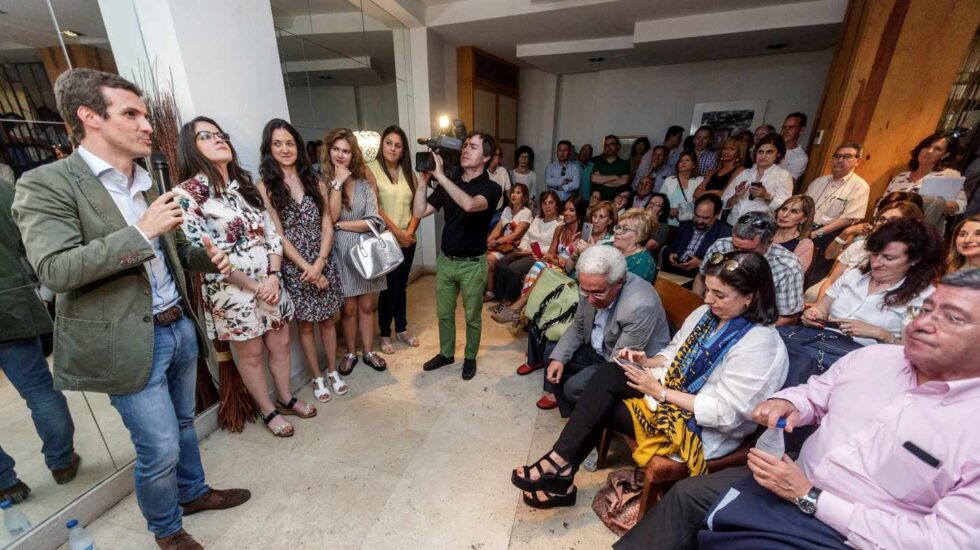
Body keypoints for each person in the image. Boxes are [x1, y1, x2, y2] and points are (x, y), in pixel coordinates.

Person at [12, 69, 247, 549]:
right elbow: (55, 270)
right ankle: (166, 530)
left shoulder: (146, 179)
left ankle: (194, 493)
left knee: (183, 425)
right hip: (126, 341)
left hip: (178, 324)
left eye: (144, 113)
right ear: (89, 117)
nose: (146, 125)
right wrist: (140, 231)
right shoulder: (47, 184)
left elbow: (174, 251)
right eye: (131, 114)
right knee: (157, 446)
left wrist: (208, 257)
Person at [617, 269, 980, 550]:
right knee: (687, 496)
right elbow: (816, 393)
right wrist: (789, 402)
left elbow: (943, 542)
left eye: (952, 318)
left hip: (852, 533)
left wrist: (809, 496)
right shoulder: (872, 360)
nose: (923, 324)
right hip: (788, 480)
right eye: (925, 309)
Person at [512, 251, 787, 508]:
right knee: (609, 375)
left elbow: (726, 414)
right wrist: (646, 361)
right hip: (669, 402)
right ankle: (561, 466)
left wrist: (660, 392)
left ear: (751, 296)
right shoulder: (708, 315)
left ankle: (560, 471)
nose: (708, 300)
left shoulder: (760, 344)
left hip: (700, 430)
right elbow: (672, 353)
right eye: (709, 290)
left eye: (719, 294)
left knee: (598, 402)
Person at [175, 116, 310, 437]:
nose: (219, 140)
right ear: (190, 148)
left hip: (270, 282)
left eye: (221, 134)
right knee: (249, 355)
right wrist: (253, 286)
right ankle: (268, 410)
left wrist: (274, 276)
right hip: (232, 293)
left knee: (280, 343)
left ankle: (286, 395)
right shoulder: (187, 194)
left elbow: (272, 235)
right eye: (206, 136)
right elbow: (200, 253)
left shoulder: (246, 186)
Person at [1, 179, 79, 505]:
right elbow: (29, 240)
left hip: (12, 301)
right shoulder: (4, 190)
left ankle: (5, 482)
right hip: (10, 305)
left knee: (39, 392)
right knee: (38, 390)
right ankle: (61, 461)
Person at [258, 119, 347, 403]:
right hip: (295, 266)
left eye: (290, 143)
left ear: (298, 146)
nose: (285, 149)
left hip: (323, 258)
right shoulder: (266, 187)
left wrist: (320, 262)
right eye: (278, 144)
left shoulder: (315, 180)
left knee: (329, 321)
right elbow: (278, 236)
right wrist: (308, 268)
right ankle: (317, 377)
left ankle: (333, 371)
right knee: (306, 325)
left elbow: (327, 222)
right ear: (269, 149)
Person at [539, 245, 670, 416]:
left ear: (619, 282)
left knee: (574, 388)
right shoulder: (590, 285)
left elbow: (618, 363)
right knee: (553, 354)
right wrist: (558, 359)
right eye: (585, 291)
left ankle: (592, 416)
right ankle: (577, 409)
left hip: (625, 362)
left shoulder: (639, 304)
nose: (590, 300)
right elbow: (578, 325)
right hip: (601, 346)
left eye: (598, 293)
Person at [413, 131, 502, 380]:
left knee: (472, 316)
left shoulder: (492, 188)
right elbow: (419, 211)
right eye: (464, 146)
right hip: (446, 261)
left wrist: (440, 176)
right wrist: (423, 181)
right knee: (444, 314)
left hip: (473, 265)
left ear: (485, 157)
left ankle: (470, 357)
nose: (465, 150)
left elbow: (470, 205)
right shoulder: (449, 184)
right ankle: (446, 353)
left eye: (472, 147)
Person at [801, 218, 941, 346]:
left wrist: (881, 334)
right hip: (818, 343)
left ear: (914, 260)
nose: (876, 263)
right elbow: (821, 309)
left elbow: (914, 352)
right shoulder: (854, 276)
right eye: (874, 254)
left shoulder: (923, 298)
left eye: (889, 258)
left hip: (866, 360)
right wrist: (813, 315)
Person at [323, 128, 388, 373]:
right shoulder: (323, 182)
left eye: (346, 151)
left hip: (366, 252)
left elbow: (374, 220)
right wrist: (338, 183)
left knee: (366, 306)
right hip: (340, 253)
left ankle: (369, 351)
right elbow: (331, 215)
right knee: (348, 308)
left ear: (353, 155)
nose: (340, 155)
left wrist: (341, 226)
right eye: (336, 149)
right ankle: (351, 352)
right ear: (329, 151)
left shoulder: (363, 184)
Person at [365, 125, 422, 356]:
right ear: (382, 145)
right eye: (388, 143)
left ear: (403, 150)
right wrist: (398, 234)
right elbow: (375, 207)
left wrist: (408, 233)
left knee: (402, 286)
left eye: (398, 145)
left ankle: (402, 328)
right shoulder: (371, 169)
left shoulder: (411, 173)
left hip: (409, 239)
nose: (392, 148)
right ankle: (385, 334)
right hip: (386, 240)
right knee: (389, 288)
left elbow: (417, 207)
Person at [695, 212, 804, 326]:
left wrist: (740, 329)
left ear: (769, 243)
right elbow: (702, 277)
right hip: (713, 316)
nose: (738, 254)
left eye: (747, 250)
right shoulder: (721, 246)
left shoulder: (788, 267)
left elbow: (789, 317)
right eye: (735, 246)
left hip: (757, 326)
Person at [814, 201, 924, 303]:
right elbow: (831, 281)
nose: (883, 224)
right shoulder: (859, 246)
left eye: (892, 221)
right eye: (881, 219)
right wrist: (819, 309)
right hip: (834, 302)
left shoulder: (910, 258)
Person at [803, 142, 870, 283]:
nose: (840, 160)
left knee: (811, 278)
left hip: (830, 237)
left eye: (847, 157)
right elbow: (803, 205)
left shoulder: (859, 186)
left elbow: (848, 219)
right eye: (837, 156)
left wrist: (817, 233)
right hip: (805, 230)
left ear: (857, 161)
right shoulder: (819, 181)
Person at [885, 131, 965, 228]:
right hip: (890, 229)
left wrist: (935, 204)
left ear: (945, 155)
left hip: (923, 233)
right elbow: (881, 205)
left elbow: (961, 205)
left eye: (938, 149)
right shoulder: (900, 177)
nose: (929, 151)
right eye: (927, 146)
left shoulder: (949, 175)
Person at [493, 191, 561, 304]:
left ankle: (510, 300)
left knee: (514, 269)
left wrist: (528, 252)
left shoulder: (559, 224)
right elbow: (527, 236)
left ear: (557, 205)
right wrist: (522, 248)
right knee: (501, 263)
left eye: (551, 203)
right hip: (525, 250)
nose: (547, 206)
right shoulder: (538, 219)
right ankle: (501, 297)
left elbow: (551, 248)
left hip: (538, 255)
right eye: (544, 203)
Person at [721, 133, 794, 226]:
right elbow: (724, 200)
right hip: (732, 222)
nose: (763, 156)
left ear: (778, 154)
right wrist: (735, 196)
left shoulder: (784, 175)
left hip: (758, 228)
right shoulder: (745, 173)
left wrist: (766, 196)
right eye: (760, 152)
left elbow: (785, 209)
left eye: (769, 152)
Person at [485, 183, 533, 302]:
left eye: (518, 193)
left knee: (490, 259)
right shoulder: (507, 209)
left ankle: (491, 292)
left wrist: (496, 243)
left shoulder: (526, 212)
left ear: (524, 197)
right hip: (501, 245)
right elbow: (498, 228)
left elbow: (516, 234)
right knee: (481, 254)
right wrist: (489, 241)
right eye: (513, 192)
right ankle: (487, 289)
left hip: (513, 247)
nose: (514, 195)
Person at [662, 194, 729, 278]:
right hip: (672, 272)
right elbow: (670, 248)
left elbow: (722, 266)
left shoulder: (724, 234)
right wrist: (670, 254)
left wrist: (700, 263)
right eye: (697, 216)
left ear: (716, 215)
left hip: (697, 277)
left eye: (705, 218)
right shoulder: (685, 225)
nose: (699, 221)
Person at [614, 208, 659, 283]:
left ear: (641, 235)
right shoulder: (611, 246)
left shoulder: (642, 261)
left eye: (625, 229)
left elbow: (622, 290)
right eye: (618, 227)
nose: (617, 231)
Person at [773, 195, 816, 273]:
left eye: (794, 211)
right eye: (784, 209)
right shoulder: (765, 231)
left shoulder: (804, 244)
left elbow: (793, 275)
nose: (784, 215)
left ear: (803, 219)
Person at [661, 151, 703, 227]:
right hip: (668, 223)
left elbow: (701, 201)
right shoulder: (669, 180)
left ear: (693, 165)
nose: (683, 163)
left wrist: (679, 210)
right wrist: (669, 210)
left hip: (689, 224)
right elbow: (661, 200)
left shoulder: (699, 180)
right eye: (681, 161)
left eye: (687, 160)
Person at [591, 134, 631, 200]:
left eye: (611, 144)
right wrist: (614, 177)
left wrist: (602, 181)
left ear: (618, 146)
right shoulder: (598, 163)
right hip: (598, 200)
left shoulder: (624, 163)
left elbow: (623, 182)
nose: (608, 147)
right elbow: (595, 179)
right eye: (606, 145)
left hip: (616, 202)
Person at [779, 112, 809, 181]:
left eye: (791, 127)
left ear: (801, 130)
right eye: (784, 127)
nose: (786, 131)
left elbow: (786, 183)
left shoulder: (800, 157)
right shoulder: (771, 147)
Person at [487, 143, 511, 212]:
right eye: (491, 153)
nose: (492, 157)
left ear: (500, 159)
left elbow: (508, 192)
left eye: (495, 154)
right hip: (482, 214)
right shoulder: (480, 171)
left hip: (497, 212)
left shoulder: (503, 171)